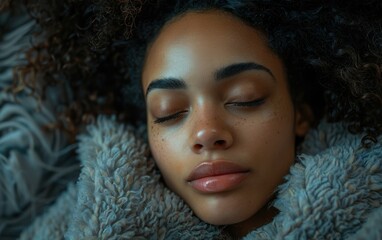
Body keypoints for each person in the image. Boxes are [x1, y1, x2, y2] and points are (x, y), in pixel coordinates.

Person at [1, 0, 381, 239]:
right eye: (170, 112)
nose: (206, 132)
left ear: (303, 112)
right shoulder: (82, 217)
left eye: (244, 99)